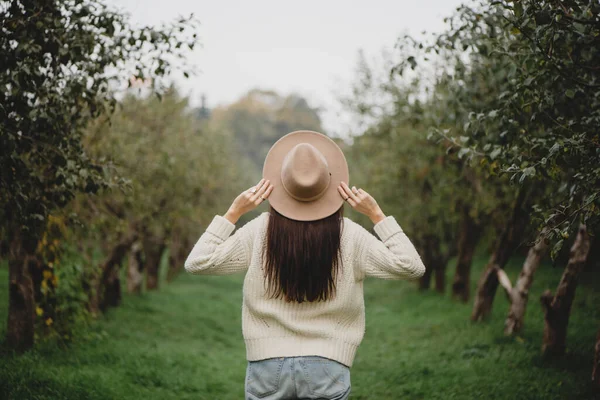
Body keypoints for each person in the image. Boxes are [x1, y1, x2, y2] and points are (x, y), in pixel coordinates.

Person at [184, 130, 425, 400]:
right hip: (329, 364)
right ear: (331, 184)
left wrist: (234, 212)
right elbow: (411, 266)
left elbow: (198, 262)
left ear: (281, 185)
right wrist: (376, 214)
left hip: (266, 364)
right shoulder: (350, 234)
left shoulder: (260, 230)